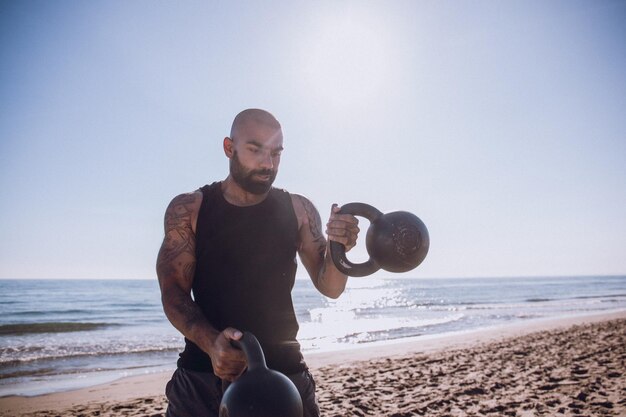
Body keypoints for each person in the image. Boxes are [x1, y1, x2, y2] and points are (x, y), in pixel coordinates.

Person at [156, 108, 360, 417]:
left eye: (276, 153)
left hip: (286, 376)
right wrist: (212, 344)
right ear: (229, 148)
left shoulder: (299, 209)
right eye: (255, 150)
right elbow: (173, 293)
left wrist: (338, 247)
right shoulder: (190, 209)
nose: (268, 164)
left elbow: (330, 286)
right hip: (203, 377)